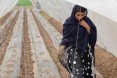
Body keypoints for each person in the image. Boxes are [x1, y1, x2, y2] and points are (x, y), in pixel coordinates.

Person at [57, 5, 97, 78]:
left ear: (85, 14)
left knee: (87, 70)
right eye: (78, 15)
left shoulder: (87, 21)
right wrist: (61, 46)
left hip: (85, 49)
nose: (80, 17)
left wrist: (87, 26)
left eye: (82, 15)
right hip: (73, 50)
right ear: (74, 13)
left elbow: (93, 35)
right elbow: (66, 36)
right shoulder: (69, 22)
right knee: (77, 71)